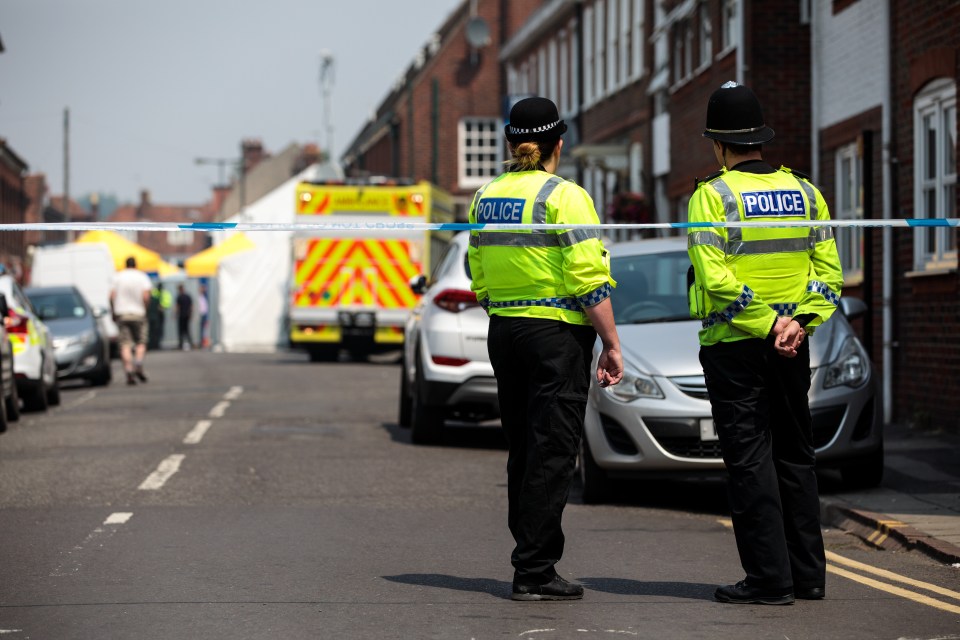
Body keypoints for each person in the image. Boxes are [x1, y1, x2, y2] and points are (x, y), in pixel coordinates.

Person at [686, 82, 844, 605]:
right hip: (792, 347)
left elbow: (715, 278)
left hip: (735, 345)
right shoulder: (805, 191)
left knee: (750, 460)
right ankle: (808, 576)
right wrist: (798, 322)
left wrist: (766, 322)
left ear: (719, 144)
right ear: (760, 138)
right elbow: (829, 274)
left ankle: (768, 580)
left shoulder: (712, 195)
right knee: (797, 456)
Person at [467, 96, 623, 602]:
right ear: (560, 143)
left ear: (512, 143)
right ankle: (534, 570)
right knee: (554, 448)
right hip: (555, 334)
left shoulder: (485, 195)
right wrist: (611, 342)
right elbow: (588, 277)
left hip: (506, 331)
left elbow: (479, 269)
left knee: (523, 447)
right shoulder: (566, 196)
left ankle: (530, 557)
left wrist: (500, 309)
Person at [111, 256, 153, 385]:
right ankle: (138, 362)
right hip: (138, 314)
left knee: (125, 344)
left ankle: (128, 369)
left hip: (122, 314)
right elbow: (146, 296)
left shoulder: (118, 277)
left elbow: (112, 296)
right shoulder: (142, 277)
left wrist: (113, 311)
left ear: (125, 264)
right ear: (136, 265)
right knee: (141, 342)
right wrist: (145, 309)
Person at [175, 284, 194, 350]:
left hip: (182, 315)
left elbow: (178, 307)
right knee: (187, 330)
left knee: (181, 331)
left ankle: (181, 344)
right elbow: (191, 306)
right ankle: (190, 343)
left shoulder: (179, 297)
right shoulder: (188, 296)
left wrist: (175, 314)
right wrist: (190, 314)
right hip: (186, 315)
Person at [197, 284, 209, 349]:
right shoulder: (199, 297)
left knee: (204, 329)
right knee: (201, 329)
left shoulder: (204, 296)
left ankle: (203, 343)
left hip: (204, 314)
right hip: (201, 314)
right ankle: (201, 342)